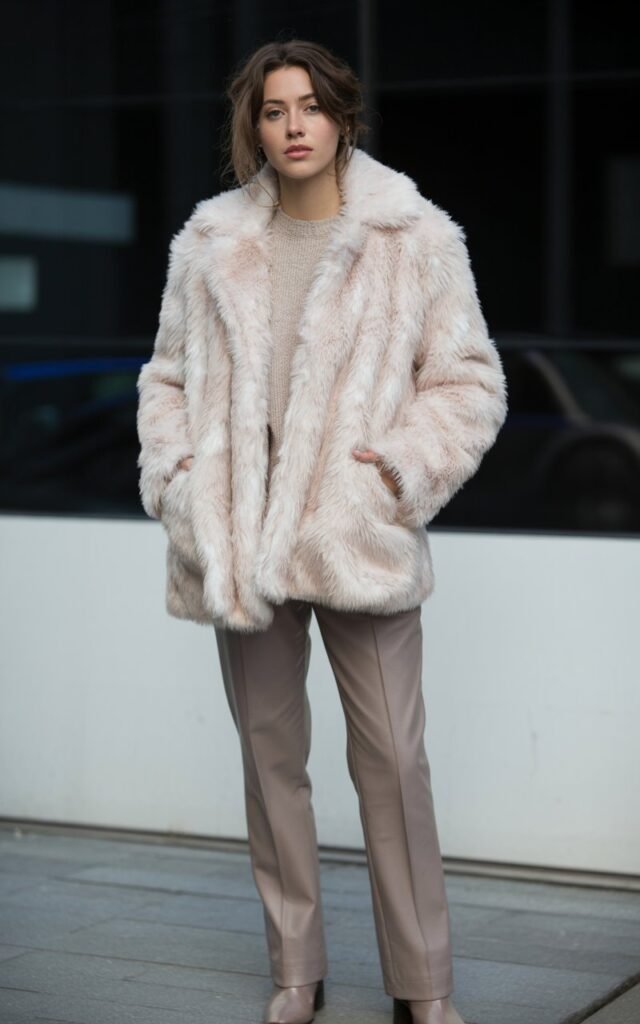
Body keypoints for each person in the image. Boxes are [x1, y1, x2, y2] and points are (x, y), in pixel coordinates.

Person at [136, 37, 507, 1024]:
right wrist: (182, 480)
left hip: (358, 536)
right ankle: (295, 969)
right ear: (251, 125)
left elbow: (467, 382)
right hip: (242, 537)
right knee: (270, 761)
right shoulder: (208, 244)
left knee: (391, 759)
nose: (292, 126)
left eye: (309, 106)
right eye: (272, 109)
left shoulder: (414, 238)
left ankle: (422, 985)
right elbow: (165, 379)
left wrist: (392, 475)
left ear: (342, 116)